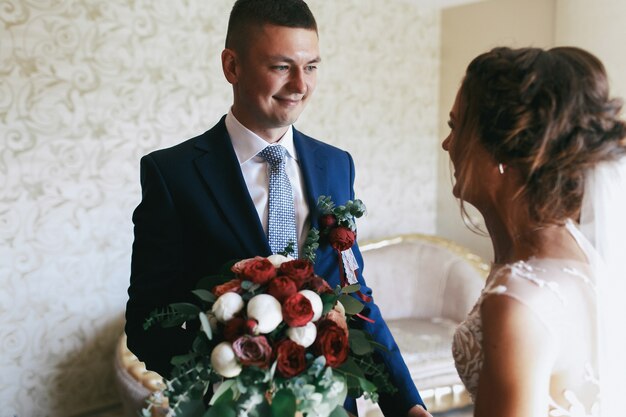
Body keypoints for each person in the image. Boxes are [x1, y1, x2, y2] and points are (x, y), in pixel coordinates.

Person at [125, 1, 430, 416]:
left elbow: (354, 296)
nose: (300, 85)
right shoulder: (172, 174)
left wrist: (406, 406)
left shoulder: (336, 164)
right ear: (232, 66)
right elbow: (147, 322)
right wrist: (228, 374)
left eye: (312, 66)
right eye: (282, 67)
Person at [443, 46, 626, 417]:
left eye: (456, 127)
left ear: (501, 152)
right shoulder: (575, 247)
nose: (448, 144)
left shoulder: (518, 297)